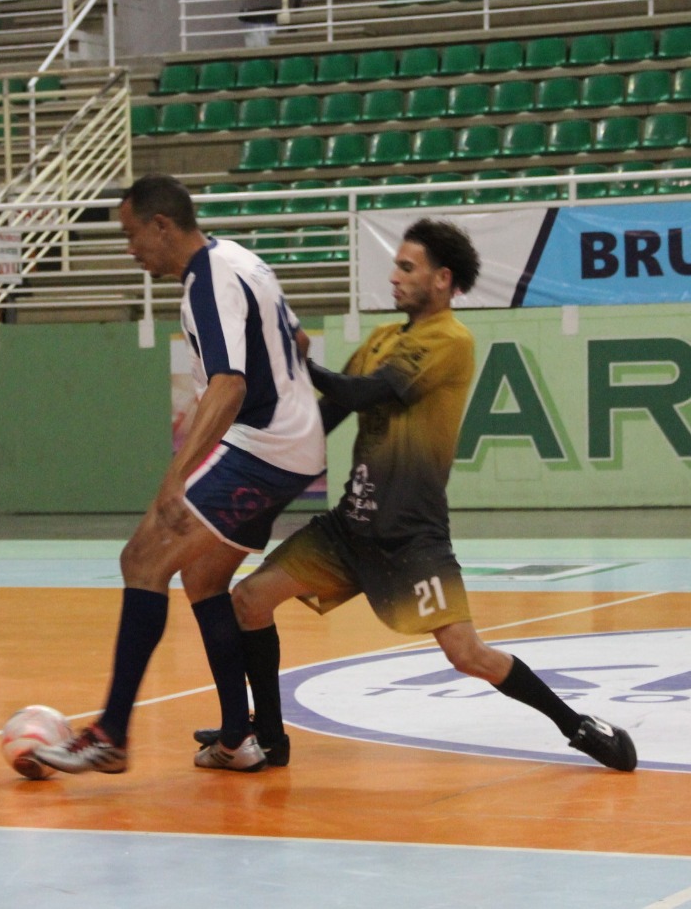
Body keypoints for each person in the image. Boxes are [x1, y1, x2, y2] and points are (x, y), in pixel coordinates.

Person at [208, 217, 637, 773]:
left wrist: (300, 361)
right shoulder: (382, 339)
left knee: (467, 653)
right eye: (396, 267)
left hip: (411, 538)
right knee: (249, 600)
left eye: (407, 268)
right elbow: (329, 415)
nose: (394, 278)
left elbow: (368, 391)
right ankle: (269, 735)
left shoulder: (451, 341)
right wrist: (259, 447)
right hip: (348, 529)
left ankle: (576, 725)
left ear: (442, 279)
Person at [32, 174, 325, 776]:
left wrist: (177, 475)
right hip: (292, 445)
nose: (130, 249)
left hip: (264, 445)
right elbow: (297, 337)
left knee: (142, 559)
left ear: (162, 225)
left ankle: (111, 734)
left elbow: (230, 383)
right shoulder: (242, 259)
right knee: (202, 577)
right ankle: (238, 737)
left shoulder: (205, 281)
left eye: (131, 234)